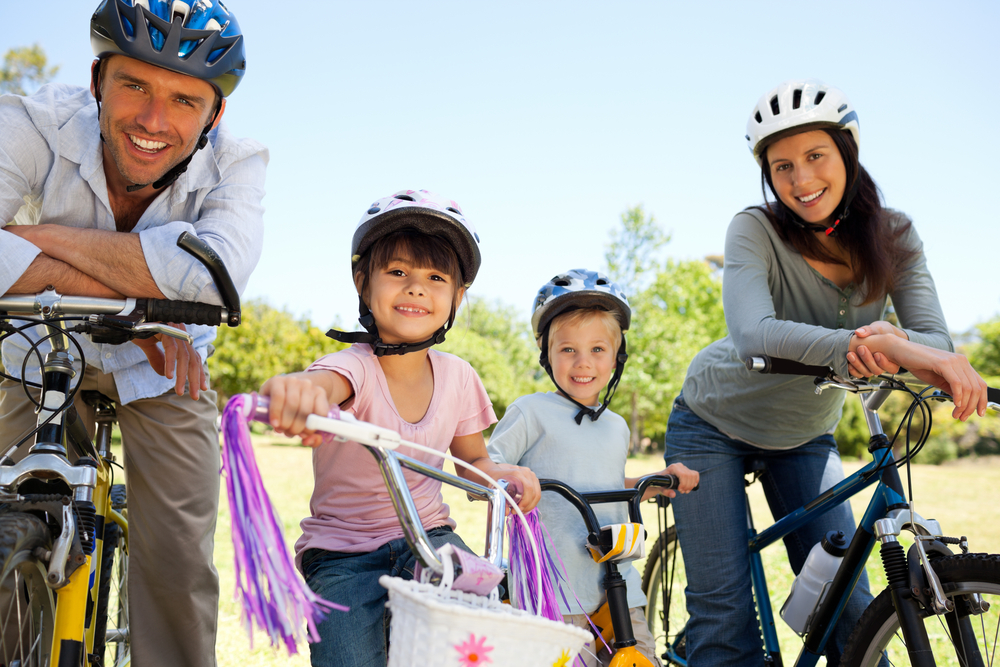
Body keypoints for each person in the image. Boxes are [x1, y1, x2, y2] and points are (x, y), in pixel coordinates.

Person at [663, 79, 989, 666]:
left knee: (848, 610)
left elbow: (937, 341)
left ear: (847, 155)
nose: (800, 179)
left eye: (816, 157)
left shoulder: (894, 236)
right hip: (711, 422)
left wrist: (900, 342)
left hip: (803, 433)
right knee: (724, 617)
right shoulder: (754, 229)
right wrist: (887, 346)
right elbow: (753, 333)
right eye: (782, 166)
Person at [0, 0, 266, 664]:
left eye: (183, 99)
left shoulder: (240, 163)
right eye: (134, 85)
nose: (154, 120)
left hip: (165, 363)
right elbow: (181, 281)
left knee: (175, 558)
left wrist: (38, 242)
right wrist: (152, 293)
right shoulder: (31, 123)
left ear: (215, 114)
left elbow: (212, 284)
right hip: (33, 345)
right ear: (97, 82)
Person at [259, 189, 541, 667]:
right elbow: (322, 385)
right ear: (362, 282)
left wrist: (503, 476)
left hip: (431, 540)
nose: (416, 288)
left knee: (488, 628)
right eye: (397, 273)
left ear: (458, 296)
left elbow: (473, 461)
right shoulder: (353, 366)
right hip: (345, 554)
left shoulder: (459, 376)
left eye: (435, 277)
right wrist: (300, 392)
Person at [486, 269, 699, 667]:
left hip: (617, 583)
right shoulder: (531, 412)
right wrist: (511, 479)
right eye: (568, 349)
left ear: (618, 356)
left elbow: (608, 484)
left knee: (641, 658)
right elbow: (483, 472)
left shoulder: (616, 425)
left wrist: (658, 481)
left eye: (598, 350)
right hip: (555, 590)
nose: (583, 363)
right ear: (545, 353)